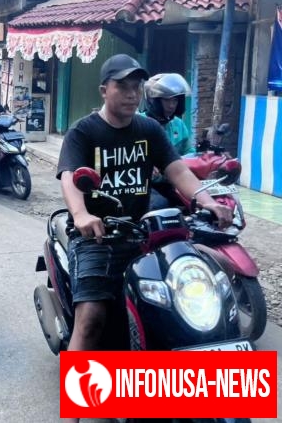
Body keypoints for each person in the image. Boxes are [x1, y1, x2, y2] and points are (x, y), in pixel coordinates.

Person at [56, 54, 232, 423]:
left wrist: (205, 199)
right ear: (104, 89)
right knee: (91, 317)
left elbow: (177, 169)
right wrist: (82, 214)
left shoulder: (149, 128)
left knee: (183, 298)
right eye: (123, 86)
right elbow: (70, 176)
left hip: (144, 231)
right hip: (99, 237)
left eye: (137, 87)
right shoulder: (84, 132)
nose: (131, 94)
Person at [143, 72, 196, 209]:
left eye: (175, 100)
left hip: (174, 181)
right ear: (153, 100)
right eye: (167, 100)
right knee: (161, 206)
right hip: (146, 185)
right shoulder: (139, 122)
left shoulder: (178, 124)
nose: (172, 105)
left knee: (195, 204)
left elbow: (190, 151)